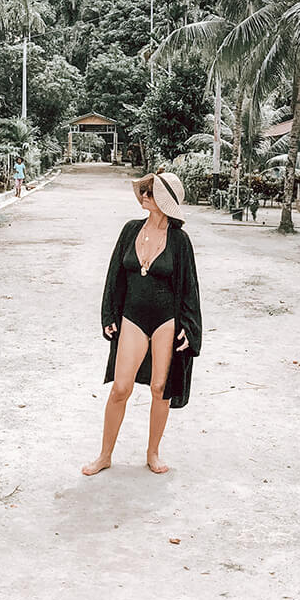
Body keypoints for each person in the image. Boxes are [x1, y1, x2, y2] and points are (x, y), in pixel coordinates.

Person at [83, 170, 202, 476]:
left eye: (150, 193)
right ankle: (104, 455)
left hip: (166, 320)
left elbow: (190, 287)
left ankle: (153, 452)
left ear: (163, 201)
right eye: (144, 191)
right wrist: (109, 314)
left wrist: (189, 327)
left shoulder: (180, 241)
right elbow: (115, 276)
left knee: (160, 387)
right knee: (121, 387)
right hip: (133, 317)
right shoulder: (130, 230)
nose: (144, 196)